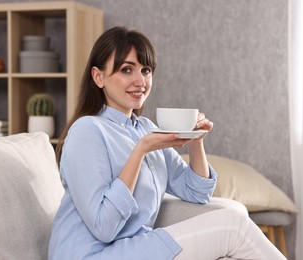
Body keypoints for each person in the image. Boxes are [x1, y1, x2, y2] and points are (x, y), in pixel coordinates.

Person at [48, 26, 286, 260]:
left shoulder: (146, 129)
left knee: (232, 236)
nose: (140, 81)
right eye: (126, 70)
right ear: (98, 77)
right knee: (233, 226)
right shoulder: (87, 131)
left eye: (146, 70)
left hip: (135, 247)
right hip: (91, 254)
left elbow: (197, 193)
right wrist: (140, 150)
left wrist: (195, 140)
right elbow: (104, 227)